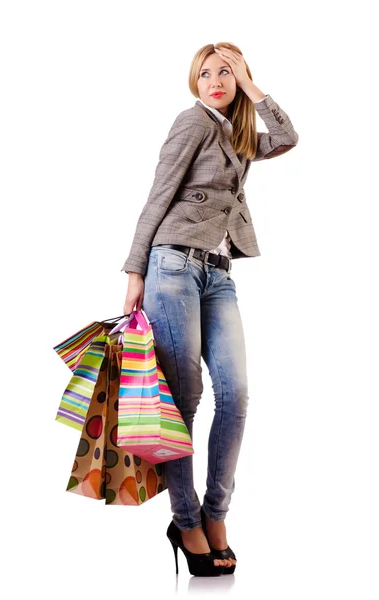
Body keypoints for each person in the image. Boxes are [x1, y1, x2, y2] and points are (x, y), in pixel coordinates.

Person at [121, 42, 298, 577]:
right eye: (205, 72)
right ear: (192, 81)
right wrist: (134, 271)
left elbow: (288, 137)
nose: (215, 79)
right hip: (171, 265)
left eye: (227, 72)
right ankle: (187, 520)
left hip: (219, 274)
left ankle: (215, 514)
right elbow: (158, 194)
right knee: (185, 399)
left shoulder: (238, 133)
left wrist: (252, 87)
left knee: (236, 393)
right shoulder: (191, 121)